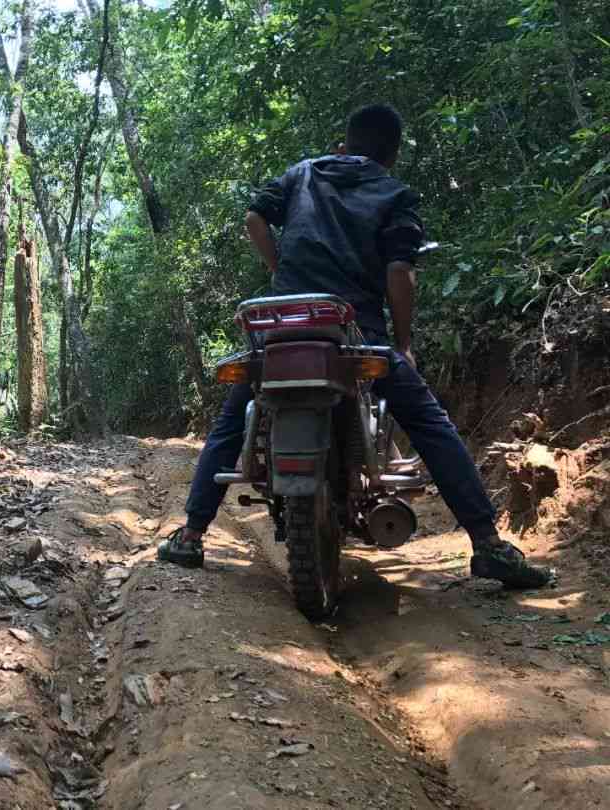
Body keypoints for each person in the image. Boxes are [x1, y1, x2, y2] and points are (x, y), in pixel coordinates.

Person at [158, 103, 552, 589]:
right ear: (392, 155)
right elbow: (399, 273)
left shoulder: (304, 172)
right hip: (355, 333)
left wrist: (279, 271)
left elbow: (254, 218)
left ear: (342, 146)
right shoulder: (393, 192)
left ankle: (192, 536)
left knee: (230, 423)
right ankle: (488, 544)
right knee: (431, 425)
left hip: (282, 326)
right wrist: (403, 344)